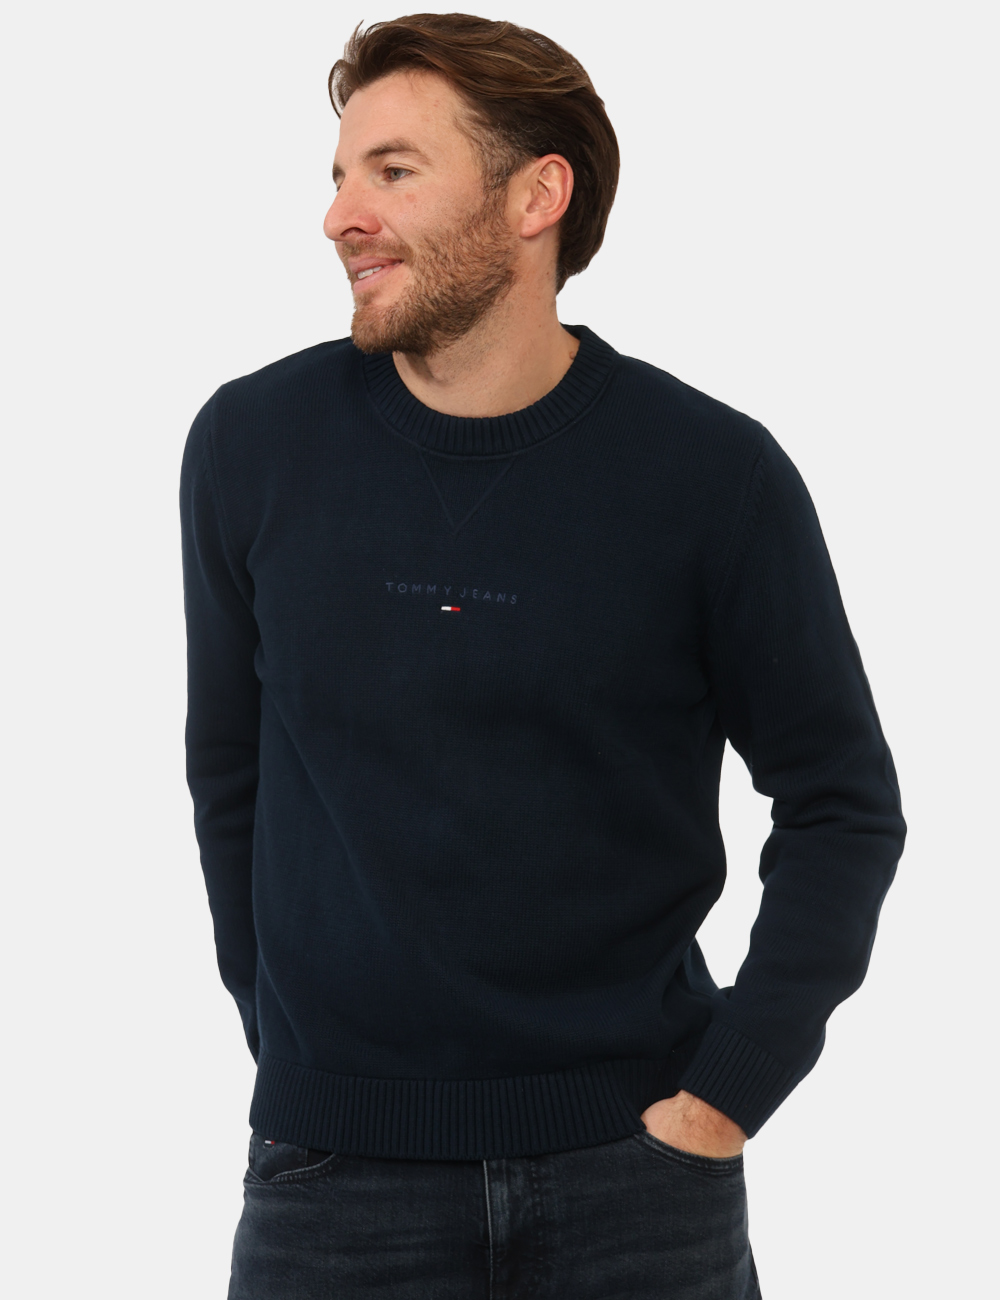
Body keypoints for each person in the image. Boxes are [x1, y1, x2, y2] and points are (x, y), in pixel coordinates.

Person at [180, 13, 906, 1298]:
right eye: (339, 175)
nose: (341, 216)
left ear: (535, 197)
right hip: (332, 1186)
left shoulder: (711, 476)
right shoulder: (251, 446)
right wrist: (299, 1053)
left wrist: (726, 1096)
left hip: (639, 1183)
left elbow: (842, 801)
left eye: (393, 171)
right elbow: (226, 769)